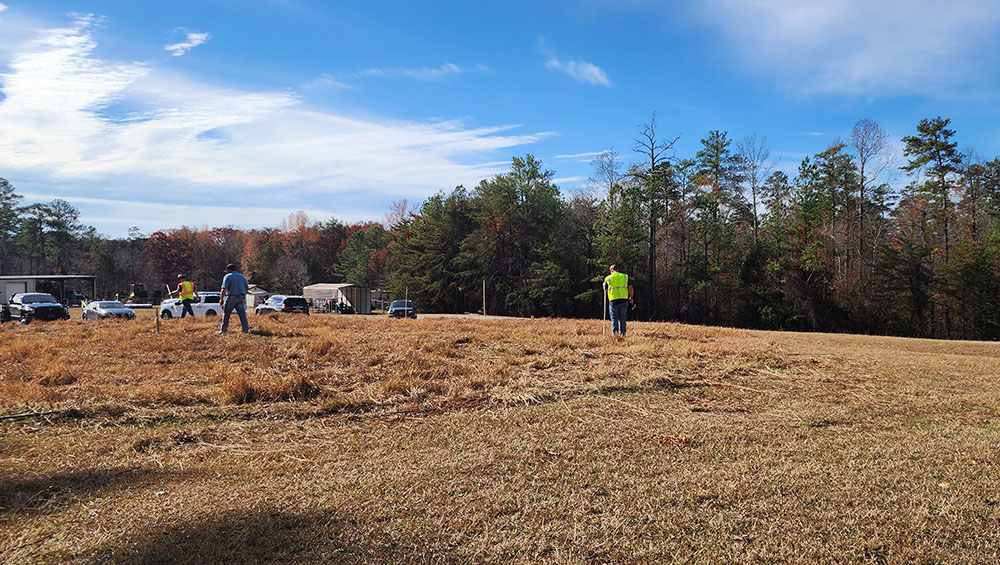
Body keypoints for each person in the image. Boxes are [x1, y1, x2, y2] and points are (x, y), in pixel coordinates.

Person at [602, 264, 634, 337]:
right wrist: (631, 298)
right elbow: (631, 288)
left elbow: (605, 289)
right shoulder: (625, 277)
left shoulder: (608, 278)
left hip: (613, 301)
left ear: (611, 270)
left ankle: (615, 335)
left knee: (614, 318)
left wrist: (604, 285)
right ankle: (623, 334)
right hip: (624, 300)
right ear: (618, 270)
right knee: (623, 318)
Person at [219, 263, 250, 334]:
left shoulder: (228, 277)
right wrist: (244, 297)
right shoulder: (242, 277)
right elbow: (246, 289)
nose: (226, 272)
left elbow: (224, 289)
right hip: (241, 297)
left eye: (227, 270)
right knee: (242, 315)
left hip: (231, 297)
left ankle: (223, 330)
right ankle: (245, 330)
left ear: (229, 270)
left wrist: (221, 299)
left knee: (226, 314)